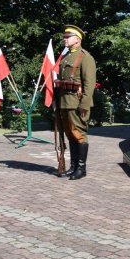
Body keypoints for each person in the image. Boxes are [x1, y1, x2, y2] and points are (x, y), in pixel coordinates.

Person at [55, 25, 96, 180]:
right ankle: (73, 167)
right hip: (64, 102)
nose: (64, 39)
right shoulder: (65, 57)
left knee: (79, 135)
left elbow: (89, 84)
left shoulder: (85, 57)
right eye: (64, 37)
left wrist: (84, 105)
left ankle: (81, 168)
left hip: (77, 103)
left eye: (68, 37)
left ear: (77, 40)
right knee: (70, 135)